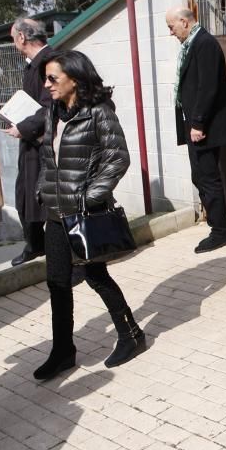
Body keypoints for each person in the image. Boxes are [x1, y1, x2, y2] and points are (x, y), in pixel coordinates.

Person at [33, 50, 146, 381]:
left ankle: (131, 335)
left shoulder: (99, 113)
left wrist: (88, 197)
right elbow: (45, 158)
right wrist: (43, 188)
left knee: (96, 276)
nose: (47, 84)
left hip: (83, 212)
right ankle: (63, 351)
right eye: (46, 78)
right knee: (57, 282)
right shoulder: (53, 112)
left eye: (53, 78)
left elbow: (117, 159)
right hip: (55, 211)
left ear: (75, 80)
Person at [165, 6, 226, 253]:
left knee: (207, 177)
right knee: (201, 176)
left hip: (204, 127)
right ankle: (219, 226)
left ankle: (221, 231)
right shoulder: (194, 43)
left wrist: (198, 123)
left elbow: (208, 87)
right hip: (196, 125)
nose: (171, 33)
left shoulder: (204, 43)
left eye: (171, 26)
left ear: (184, 22)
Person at [4, 18, 54, 266]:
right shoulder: (33, 64)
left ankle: (66, 255)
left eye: (14, 38)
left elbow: (49, 106)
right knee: (24, 197)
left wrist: (22, 128)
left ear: (22, 37)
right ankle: (35, 245)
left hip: (45, 143)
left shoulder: (48, 62)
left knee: (46, 202)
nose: (14, 43)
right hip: (31, 142)